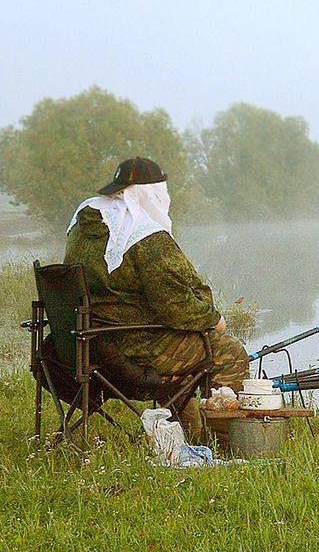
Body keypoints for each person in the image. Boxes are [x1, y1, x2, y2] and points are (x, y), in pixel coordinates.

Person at [63, 158, 248, 415]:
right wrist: (213, 319)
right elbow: (177, 307)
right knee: (229, 350)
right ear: (150, 193)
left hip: (84, 346)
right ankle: (223, 440)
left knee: (188, 347)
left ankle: (187, 429)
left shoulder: (83, 229)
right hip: (135, 350)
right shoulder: (144, 236)